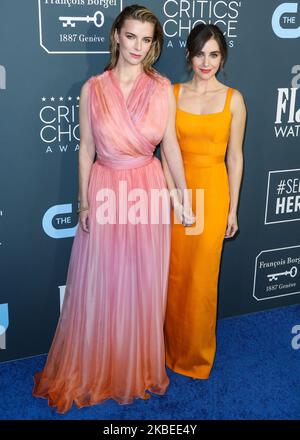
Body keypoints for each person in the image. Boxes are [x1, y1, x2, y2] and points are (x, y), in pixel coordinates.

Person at [33, 4, 193, 413]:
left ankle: (133, 366)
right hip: (106, 188)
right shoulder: (93, 88)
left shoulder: (161, 88)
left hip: (148, 188)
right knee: (103, 281)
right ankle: (100, 365)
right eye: (131, 36)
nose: (138, 46)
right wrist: (84, 201)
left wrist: (182, 193)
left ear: (153, 43)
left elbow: (170, 145)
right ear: (117, 36)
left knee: (143, 282)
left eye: (147, 39)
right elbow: (86, 149)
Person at [162, 24, 246, 379]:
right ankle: (166, 349)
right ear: (188, 55)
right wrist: (174, 198)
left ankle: (196, 356)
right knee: (174, 275)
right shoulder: (172, 94)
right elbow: (166, 152)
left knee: (201, 278)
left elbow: (236, 158)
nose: (205, 61)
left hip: (213, 191)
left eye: (213, 54)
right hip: (176, 190)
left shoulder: (234, 99)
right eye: (199, 54)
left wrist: (233, 209)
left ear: (222, 57)